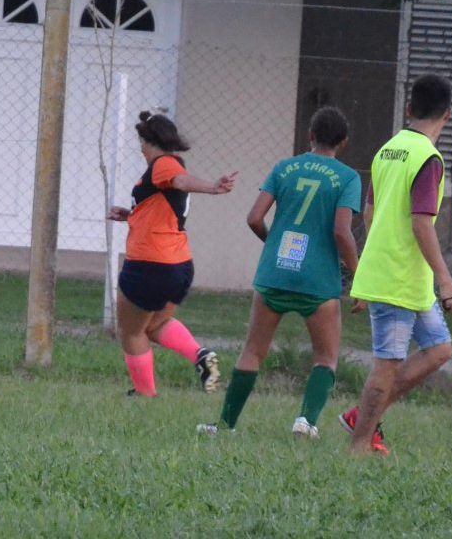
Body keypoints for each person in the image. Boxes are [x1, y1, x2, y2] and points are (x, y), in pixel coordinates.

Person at [196, 106, 361, 438]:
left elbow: (254, 218)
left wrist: (274, 245)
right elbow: (342, 232)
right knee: (326, 356)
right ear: (343, 141)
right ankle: (306, 421)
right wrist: (358, 275)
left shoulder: (284, 168)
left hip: (276, 273)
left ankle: (225, 425)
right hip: (318, 281)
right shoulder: (347, 178)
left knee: (253, 351)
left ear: (310, 135)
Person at [340, 74, 452, 456]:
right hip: (398, 276)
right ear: (448, 115)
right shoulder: (428, 158)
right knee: (387, 363)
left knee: (440, 348)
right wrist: (447, 281)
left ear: (409, 109)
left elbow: (370, 207)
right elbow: (421, 223)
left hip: (405, 275)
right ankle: (359, 443)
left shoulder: (388, 149)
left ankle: (363, 416)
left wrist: (380, 250)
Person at [108, 111, 236, 396]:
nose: (140, 148)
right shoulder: (167, 166)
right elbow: (166, 208)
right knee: (155, 325)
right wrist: (131, 215)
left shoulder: (163, 164)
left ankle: (145, 395)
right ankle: (201, 357)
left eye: (141, 142)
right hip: (179, 266)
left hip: (149, 265)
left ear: (149, 142)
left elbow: (180, 181)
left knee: (131, 332)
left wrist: (213, 188)